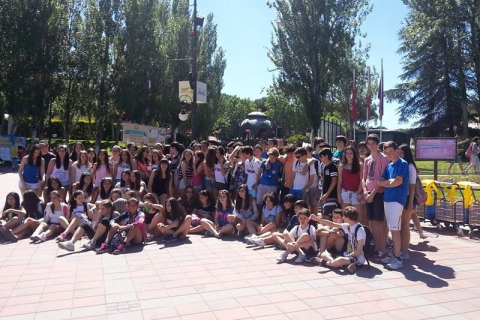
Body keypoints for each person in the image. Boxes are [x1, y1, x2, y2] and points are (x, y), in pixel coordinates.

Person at [378, 141, 410, 270]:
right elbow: (380, 182)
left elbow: (398, 182)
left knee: (395, 229)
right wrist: (389, 182)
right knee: (392, 228)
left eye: (390, 151)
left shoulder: (403, 163)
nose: (388, 154)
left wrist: (388, 183)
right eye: (386, 152)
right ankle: (395, 255)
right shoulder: (388, 165)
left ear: (397, 150)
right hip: (387, 199)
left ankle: (398, 258)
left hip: (397, 200)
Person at [311, 206, 366, 273]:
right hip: (347, 254)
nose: (343, 218)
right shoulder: (348, 226)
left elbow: (358, 252)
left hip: (357, 257)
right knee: (324, 254)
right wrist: (317, 219)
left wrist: (345, 256)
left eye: (344, 216)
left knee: (340, 260)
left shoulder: (359, 230)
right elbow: (332, 224)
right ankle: (342, 265)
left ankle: (323, 262)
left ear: (348, 217)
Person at [398, 144, 426, 258]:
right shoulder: (400, 165)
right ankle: (400, 248)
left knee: (405, 225)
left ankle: (404, 251)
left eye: (401, 153)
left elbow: (412, 186)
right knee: (399, 225)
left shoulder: (410, 166)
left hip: (408, 198)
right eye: (398, 153)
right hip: (400, 197)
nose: (399, 155)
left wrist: (410, 202)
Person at [337, 146, 365, 224]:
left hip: (356, 193)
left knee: (359, 218)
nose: (349, 155)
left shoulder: (360, 165)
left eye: (351, 153)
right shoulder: (341, 166)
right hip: (345, 192)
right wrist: (339, 196)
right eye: (347, 153)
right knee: (346, 218)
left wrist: (359, 192)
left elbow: (361, 180)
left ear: (354, 154)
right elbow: (339, 182)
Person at [319, 148, 338, 218]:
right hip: (326, 194)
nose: (320, 158)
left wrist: (327, 194)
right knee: (324, 215)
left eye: (321, 156)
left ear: (326, 156)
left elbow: (334, 180)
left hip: (331, 195)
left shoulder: (332, 167)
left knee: (328, 216)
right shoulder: (325, 167)